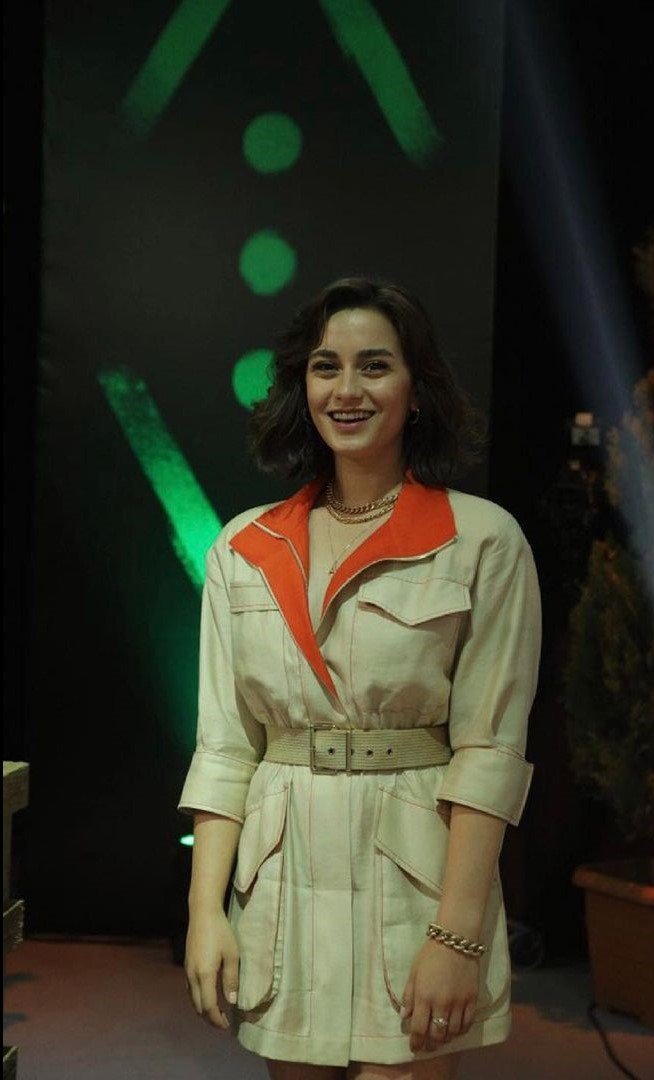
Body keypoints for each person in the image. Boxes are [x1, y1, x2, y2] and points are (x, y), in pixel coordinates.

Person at [178, 276, 542, 1080]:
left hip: (415, 889)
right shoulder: (243, 548)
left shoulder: (481, 540)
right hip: (282, 888)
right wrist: (205, 911)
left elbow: (489, 753)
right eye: (325, 367)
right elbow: (226, 749)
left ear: (416, 388)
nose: (346, 390)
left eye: (374, 365)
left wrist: (456, 937)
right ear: (301, 387)